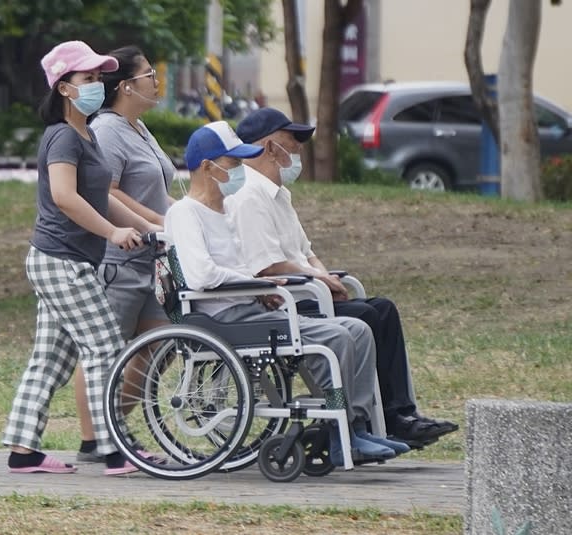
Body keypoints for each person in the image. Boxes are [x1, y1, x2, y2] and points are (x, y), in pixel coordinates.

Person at [165, 120, 411, 464]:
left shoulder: (224, 211)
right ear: (208, 167)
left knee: (359, 329)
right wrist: (258, 284)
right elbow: (202, 274)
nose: (240, 171)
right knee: (338, 336)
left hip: (251, 307)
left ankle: (353, 425)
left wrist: (257, 287)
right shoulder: (185, 212)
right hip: (222, 317)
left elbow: (239, 267)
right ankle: (342, 436)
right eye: (234, 164)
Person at [229, 107, 459, 447]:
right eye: (292, 142)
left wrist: (323, 277)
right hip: (283, 302)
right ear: (269, 147)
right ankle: (375, 420)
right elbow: (269, 266)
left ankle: (400, 412)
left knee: (383, 309)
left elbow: (306, 252)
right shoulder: (250, 196)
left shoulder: (280, 196)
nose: (298, 151)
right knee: (364, 316)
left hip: (304, 291)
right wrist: (319, 281)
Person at [1, 40, 158, 477]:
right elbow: (65, 197)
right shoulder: (63, 137)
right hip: (60, 261)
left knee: (50, 358)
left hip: (64, 261)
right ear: (65, 89)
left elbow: (101, 198)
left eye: (97, 77)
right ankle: (114, 451)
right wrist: (112, 234)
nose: (96, 84)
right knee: (105, 346)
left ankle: (22, 450)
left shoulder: (86, 134)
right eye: (87, 78)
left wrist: (153, 230)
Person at [72, 45, 176, 463]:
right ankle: (93, 441)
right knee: (103, 351)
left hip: (153, 261)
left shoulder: (139, 128)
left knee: (159, 345)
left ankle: (113, 426)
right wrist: (157, 224)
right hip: (121, 261)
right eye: (150, 74)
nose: (156, 80)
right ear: (128, 85)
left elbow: (156, 190)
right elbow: (107, 191)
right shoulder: (109, 130)